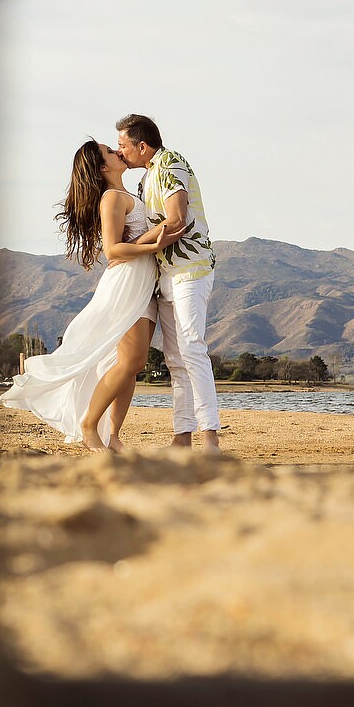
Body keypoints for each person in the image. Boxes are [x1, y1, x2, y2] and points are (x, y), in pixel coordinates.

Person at [0, 140, 177, 451]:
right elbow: (113, 250)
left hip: (145, 284)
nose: (117, 152)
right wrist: (153, 246)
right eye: (110, 152)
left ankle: (114, 436)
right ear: (102, 168)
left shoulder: (130, 194)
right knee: (132, 359)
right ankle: (88, 425)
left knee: (132, 365)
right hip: (127, 284)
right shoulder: (111, 198)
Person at [114, 113, 222, 454]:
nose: (119, 153)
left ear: (142, 146)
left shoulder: (170, 163)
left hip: (190, 269)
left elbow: (177, 219)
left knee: (191, 347)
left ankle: (211, 439)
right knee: (175, 358)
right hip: (165, 275)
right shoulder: (146, 180)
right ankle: (182, 438)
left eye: (122, 145)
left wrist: (133, 248)